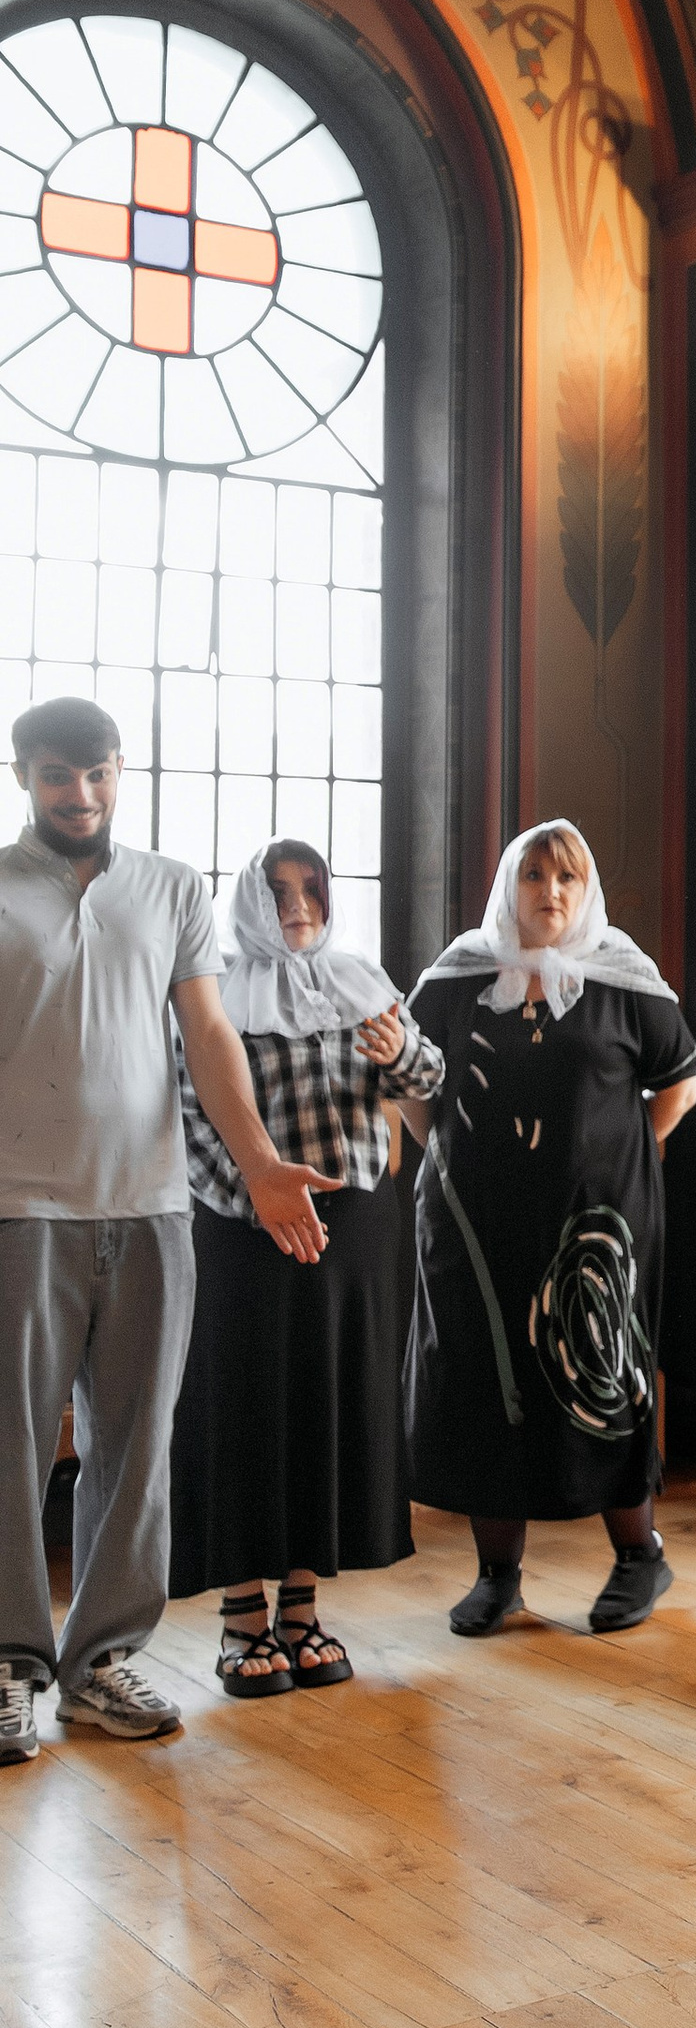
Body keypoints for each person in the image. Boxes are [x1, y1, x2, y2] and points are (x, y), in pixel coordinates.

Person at [0, 698, 335, 1766]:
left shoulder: (173, 888)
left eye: (97, 773)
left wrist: (258, 1161)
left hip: (152, 1210)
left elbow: (207, 1031)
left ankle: (99, 1661)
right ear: (23, 778)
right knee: (10, 1451)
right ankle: (11, 1666)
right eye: (59, 776)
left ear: (120, 769)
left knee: (137, 1447)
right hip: (20, 1209)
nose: (81, 795)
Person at [404, 822, 696, 1637]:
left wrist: (619, 1158)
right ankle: (498, 1576)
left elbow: (677, 1088)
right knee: (484, 1381)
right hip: (475, 1228)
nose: (551, 893)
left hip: (597, 1231)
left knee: (602, 1379)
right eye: (533, 876)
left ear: (586, 887)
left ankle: (639, 1557)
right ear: (510, 886)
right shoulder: (455, 978)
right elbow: (412, 1083)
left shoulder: (624, 980)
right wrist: (453, 1159)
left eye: (567, 877)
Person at [171, 840, 445, 1693]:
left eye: (312, 888)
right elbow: (188, 1113)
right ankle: (241, 1613)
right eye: (279, 889)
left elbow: (429, 1079)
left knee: (325, 1402)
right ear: (251, 900)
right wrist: (259, 1200)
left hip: (355, 1227)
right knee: (244, 1405)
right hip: (243, 1226)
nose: (298, 903)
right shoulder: (212, 988)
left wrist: (397, 1050)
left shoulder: (361, 978)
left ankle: (302, 1605)